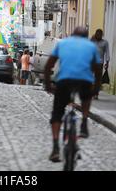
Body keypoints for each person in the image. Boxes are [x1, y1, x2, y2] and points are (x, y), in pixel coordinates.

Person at [44, 26, 102, 162]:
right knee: (86, 97)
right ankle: (84, 122)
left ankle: (55, 148)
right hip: (84, 81)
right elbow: (98, 70)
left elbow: (48, 66)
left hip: (64, 81)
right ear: (86, 36)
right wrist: (97, 88)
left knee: (57, 113)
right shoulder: (91, 46)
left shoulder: (62, 43)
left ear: (72, 35)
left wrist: (48, 85)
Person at [91, 29, 110, 99]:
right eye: (97, 34)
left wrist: (107, 62)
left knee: (98, 79)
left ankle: (96, 93)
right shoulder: (92, 41)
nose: (98, 36)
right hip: (91, 62)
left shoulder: (105, 43)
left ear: (102, 35)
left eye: (100, 35)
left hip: (100, 63)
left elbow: (107, 53)